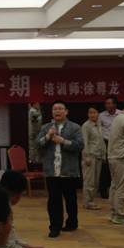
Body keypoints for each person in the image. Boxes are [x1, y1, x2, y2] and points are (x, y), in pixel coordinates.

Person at [37, 102, 84, 238]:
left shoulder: (75, 127)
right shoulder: (46, 127)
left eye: (60, 109)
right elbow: (37, 144)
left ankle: (72, 222)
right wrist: (47, 136)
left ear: (66, 111)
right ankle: (55, 227)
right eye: (55, 109)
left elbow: (80, 145)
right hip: (52, 170)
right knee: (53, 200)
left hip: (68, 170)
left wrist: (63, 141)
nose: (57, 111)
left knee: (70, 199)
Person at [81, 107, 105, 210]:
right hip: (90, 156)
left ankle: (91, 201)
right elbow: (84, 142)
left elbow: (101, 141)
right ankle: (87, 202)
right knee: (89, 181)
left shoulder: (99, 125)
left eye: (94, 112)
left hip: (98, 156)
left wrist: (104, 155)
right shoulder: (86, 126)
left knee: (95, 181)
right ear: (88, 114)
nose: (92, 115)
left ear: (98, 113)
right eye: (90, 113)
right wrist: (86, 156)